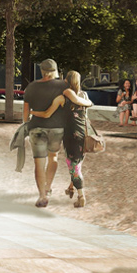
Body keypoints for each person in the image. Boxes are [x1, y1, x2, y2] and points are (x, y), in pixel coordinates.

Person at [12, 59, 69, 208]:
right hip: (57, 129)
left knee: (39, 162)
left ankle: (42, 196)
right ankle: (48, 187)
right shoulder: (64, 85)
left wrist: (26, 124)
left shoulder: (31, 87)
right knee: (53, 157)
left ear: (42, 71)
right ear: (55, 71)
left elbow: (25, 112)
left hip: (36, 128)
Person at [55, 78, 104, 208]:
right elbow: (86, 109)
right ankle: (71, 188)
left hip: (71, 134)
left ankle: (81, 196)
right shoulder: (84, 95)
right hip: (82, 133)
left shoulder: (66, 94)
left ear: (69, 81)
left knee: (74, 167)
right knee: (77, 164)